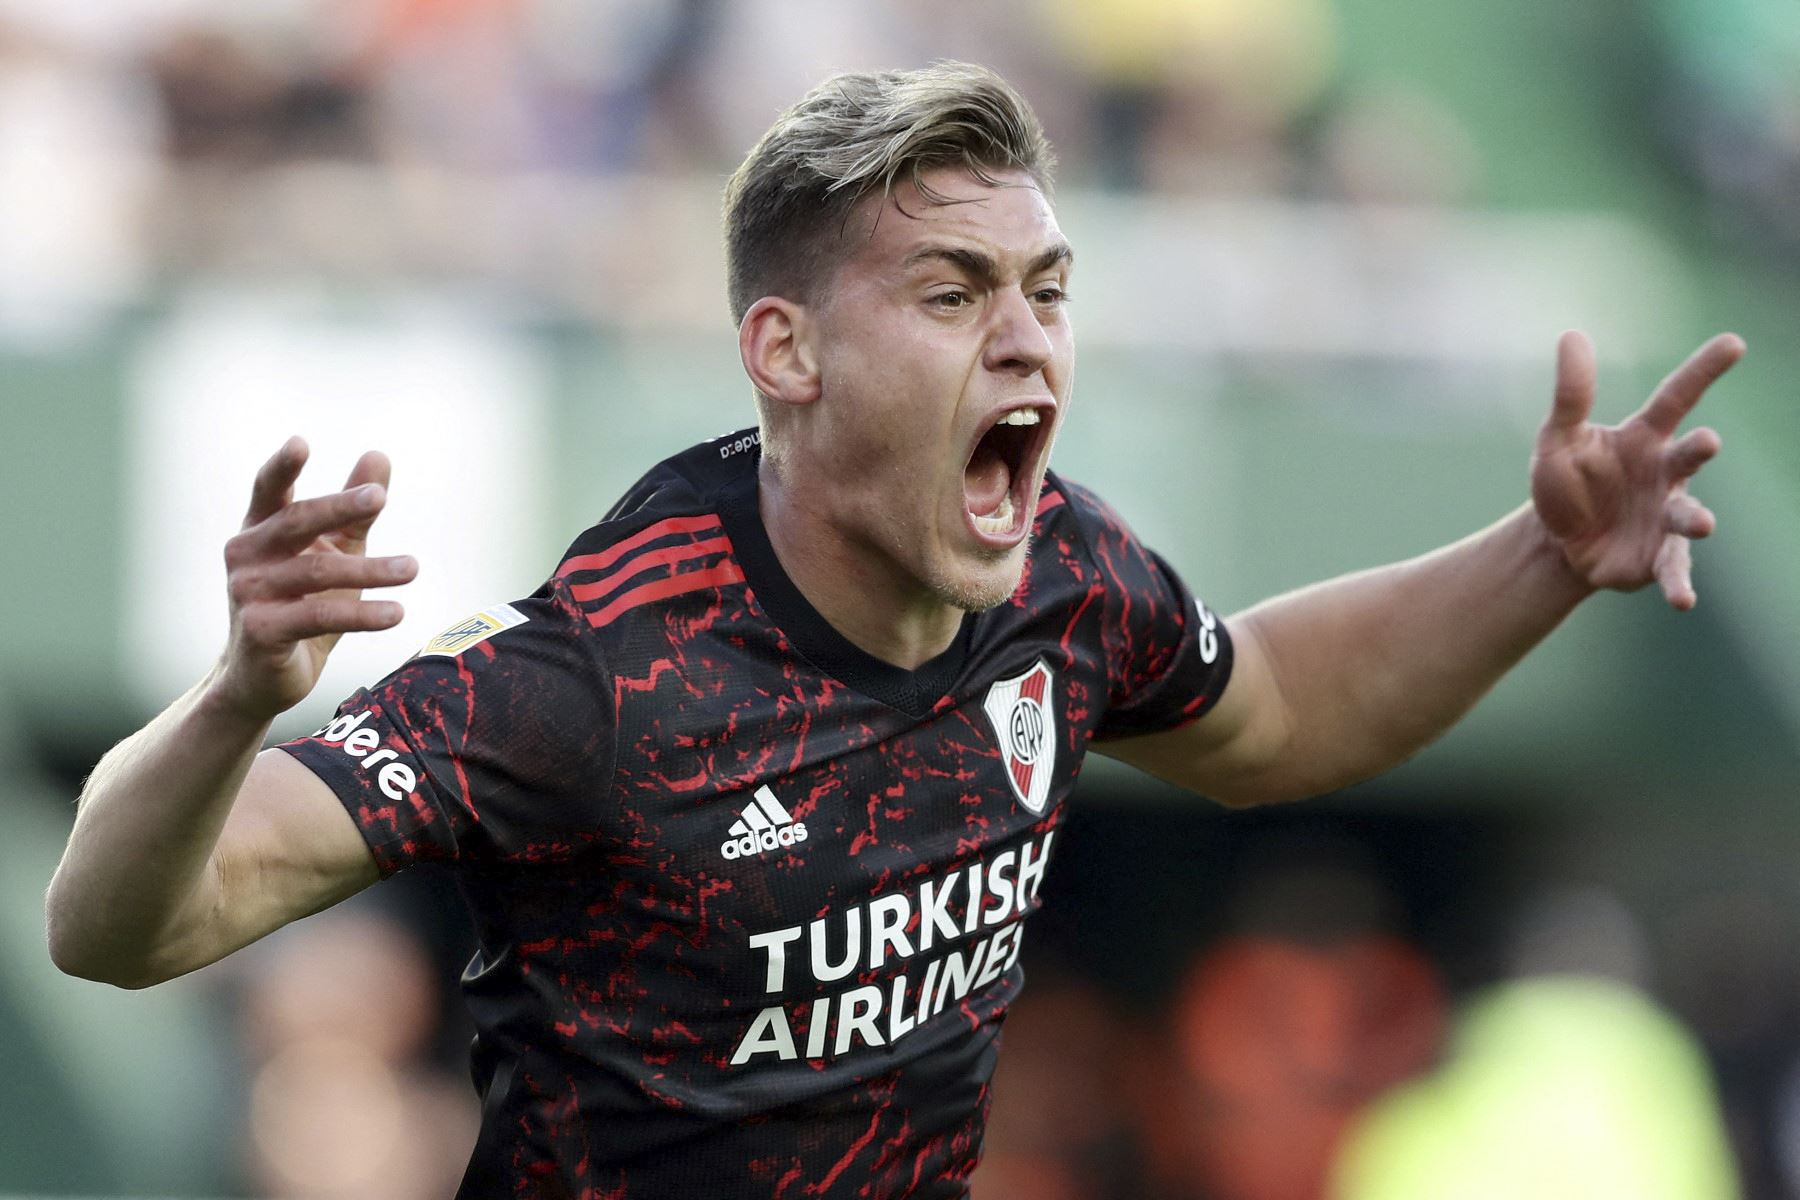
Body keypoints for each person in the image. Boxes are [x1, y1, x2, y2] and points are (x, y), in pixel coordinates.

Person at [44, 62, 1739, 1199]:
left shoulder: (1066, 577)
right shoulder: (595, 674)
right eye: (951, 295)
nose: (1028, 347)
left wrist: (1540, 556)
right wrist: (229, 702)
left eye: (1047, 290)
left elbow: (1280, 708)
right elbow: (120, 926)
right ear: (785, 352)